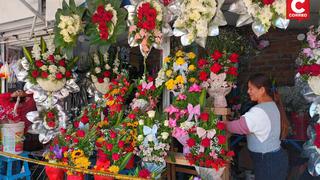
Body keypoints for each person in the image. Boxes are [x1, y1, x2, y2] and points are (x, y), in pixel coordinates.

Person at [225, 73, 289, 180]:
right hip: (273, 159)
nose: (248, 91)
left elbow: (239, 127)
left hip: (268, 162)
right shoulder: (271, 105)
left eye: (251, 88)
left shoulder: (259, 111)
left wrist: (223, 124)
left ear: (262, 90)